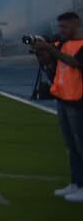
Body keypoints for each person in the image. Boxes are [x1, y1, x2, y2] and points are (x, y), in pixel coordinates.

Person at [35, 12, 83, 202]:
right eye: (59, 27)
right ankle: (76, 182)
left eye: (64, 27)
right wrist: (40, 50)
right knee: (71, 146)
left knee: (80, 146)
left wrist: (49, 48)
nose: (60, 31)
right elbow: (47, 61)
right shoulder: (62, 43)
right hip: (63, 99)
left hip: (78, 101)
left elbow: (75, 62)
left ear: (76, 25)